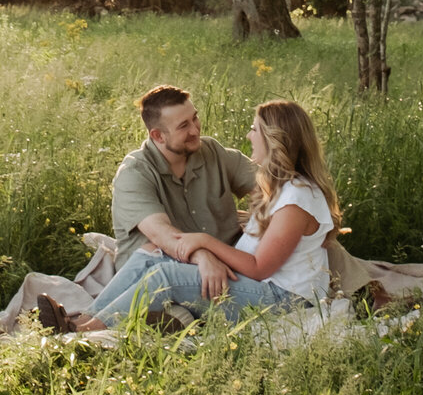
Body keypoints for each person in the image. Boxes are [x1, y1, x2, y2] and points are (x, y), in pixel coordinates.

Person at [42, 98, 342, 334]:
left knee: (166, 277)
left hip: (282, 299)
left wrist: (204, 242)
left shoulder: (298, 199)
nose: (248, 136)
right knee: (150, 254)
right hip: (259, 284)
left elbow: (261, 268)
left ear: (274, 140)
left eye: (254, 130)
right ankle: (83, 320)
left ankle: (83, 333)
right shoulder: (283, 187)